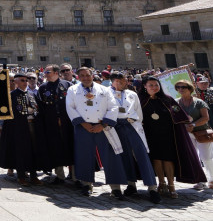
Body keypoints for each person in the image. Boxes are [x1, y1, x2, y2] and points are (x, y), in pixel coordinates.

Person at [65, 66, 127, 198]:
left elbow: (113, 107)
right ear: (78, 77)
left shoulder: (104, 90)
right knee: (84, 155)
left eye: (87, 75)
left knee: (110, 155)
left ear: (92, 75)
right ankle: (86, 184)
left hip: (103, 126)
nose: (85, 78)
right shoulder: (72, 90)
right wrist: (83, 123)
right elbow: (70, 107)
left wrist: (103, 124)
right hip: (83, 127)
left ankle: (115, 187)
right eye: (82, 76)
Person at [139, 76, 206, 198]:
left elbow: (179, 114)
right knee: (156, 159)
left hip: (168, 135)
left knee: (168, 159)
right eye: (151, 85)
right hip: (150, 135)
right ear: (145, 86)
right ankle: (161, 183)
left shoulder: (168, 99)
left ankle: (171, 186)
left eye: (156, 85)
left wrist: (187, 121)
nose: (154, 87)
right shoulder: (141, 100)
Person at [109, 72, 160, 203]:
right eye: (119, 81)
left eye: (124, 81)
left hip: (132, 125)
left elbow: (138, 112)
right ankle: (131, 184)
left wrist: (136, 122)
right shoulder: (106, 94)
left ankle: (152, 188)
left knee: (141, 155)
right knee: (124, 156)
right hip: (116, 127)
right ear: (113, 81)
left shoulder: (132, 94)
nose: (122, 83)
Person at [0, 72, 50, 186]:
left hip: (33, 126)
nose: (25, 82)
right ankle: (21, 176)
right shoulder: (12, 95)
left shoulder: (32, 94)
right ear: (15, 82)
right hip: (18, 128)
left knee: (34, 150)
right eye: (22, 80)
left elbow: (38, 109)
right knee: (21, 151)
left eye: (26, 80)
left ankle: (34, 175)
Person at [35, 64, 73, 185]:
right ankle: (60, 175)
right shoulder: (43, 88)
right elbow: (40, 106)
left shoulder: (68, 85)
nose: (45, 74)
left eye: (48, 72)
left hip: (68, 123)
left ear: (56, 73)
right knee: (55, 148)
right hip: (51, 124)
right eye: (45, 72)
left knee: (71, 147)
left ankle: (75, 176)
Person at [175, 79, 213, 189]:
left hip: (202, 133)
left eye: (183, 87)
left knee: (206, 157)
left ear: (190, 89)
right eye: (178, 87)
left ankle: (212, 178)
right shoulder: (176, 102)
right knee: (194, 157)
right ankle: (200, 180)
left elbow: (205, 118)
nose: (181, 89)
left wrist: (193, 125)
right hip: (187, 134)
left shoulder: (199, 102)